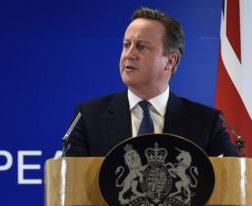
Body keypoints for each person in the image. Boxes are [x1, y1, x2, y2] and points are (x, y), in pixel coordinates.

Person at [64, 7, 240, 157]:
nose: (129, 54)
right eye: (126, 45)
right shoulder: (88, 118)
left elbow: (234, 182)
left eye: (142, 47)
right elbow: (70, 184)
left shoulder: (206, 123)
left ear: (170, 61)